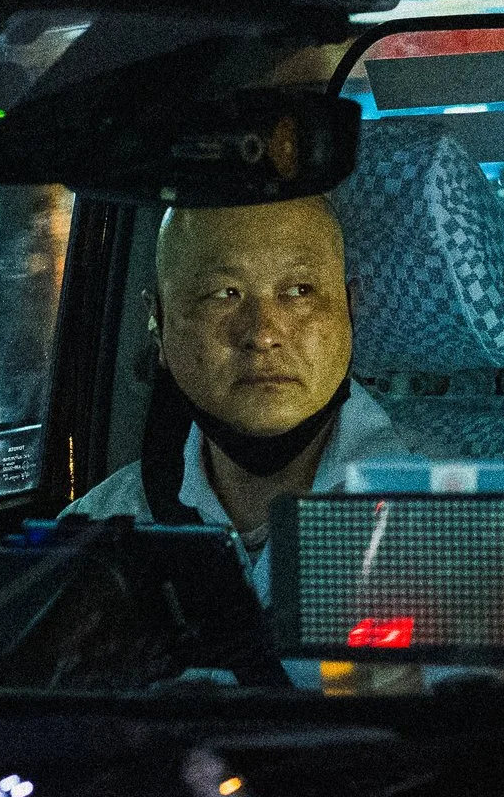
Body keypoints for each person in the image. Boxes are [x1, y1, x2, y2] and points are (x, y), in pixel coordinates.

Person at [67, 194, 414, 595]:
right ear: (158, 323)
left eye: (300, 291)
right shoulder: (97, 538)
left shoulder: (452, 524)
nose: (264, 334)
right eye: (223, 294)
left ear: (350, 310)